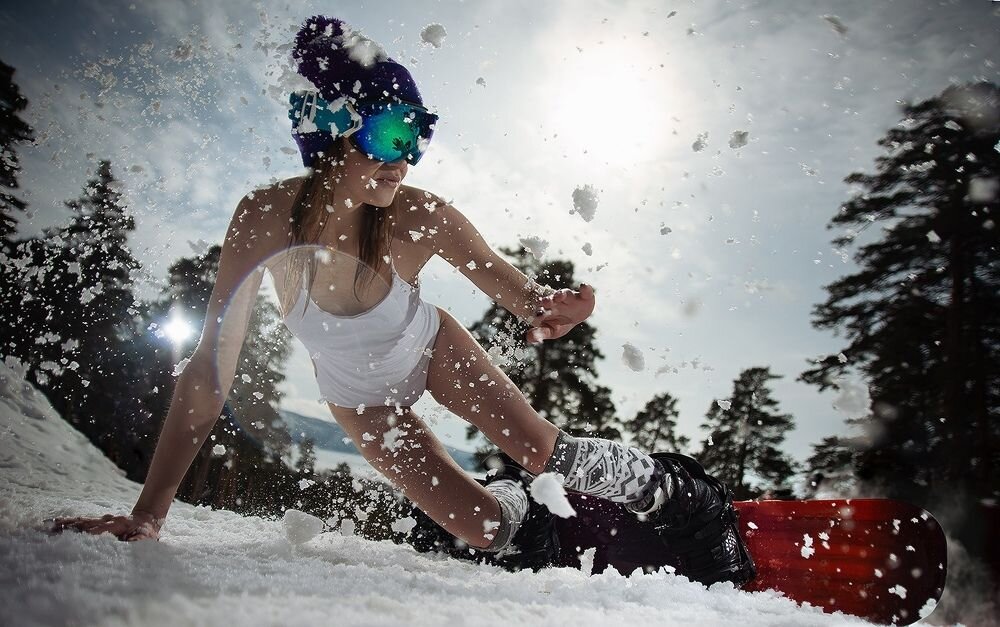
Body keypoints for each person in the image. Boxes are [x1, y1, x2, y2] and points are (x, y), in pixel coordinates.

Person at [48, 15, 755, 587]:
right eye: (390, 132)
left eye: (419, 132)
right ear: (329, 132)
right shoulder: (263, 220)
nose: (405, 155)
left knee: (543, 448)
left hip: (430, 347)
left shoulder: (421, 216)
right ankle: (525, 512)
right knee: (486, 529)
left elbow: (522, 296)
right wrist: (148, 515)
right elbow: (209, 372)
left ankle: (688, 499)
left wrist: (554, 307)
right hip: (359, 398)